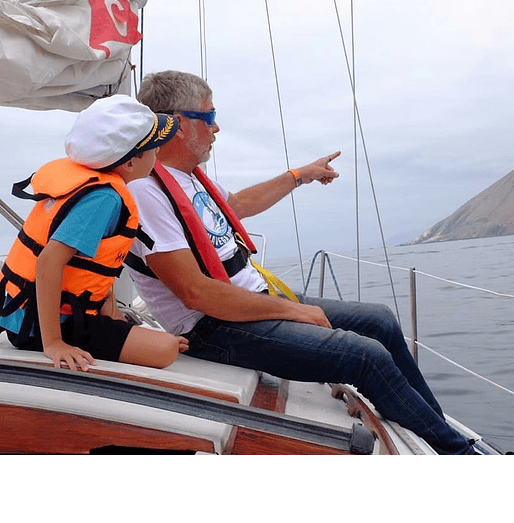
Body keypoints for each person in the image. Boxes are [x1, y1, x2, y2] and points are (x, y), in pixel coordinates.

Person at [126, 69, 477, 455]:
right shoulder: (146, 192)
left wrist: (299, 175)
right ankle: (458, 456)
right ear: (176, 124)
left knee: (380, 320)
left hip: (249, 302)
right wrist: (296, 312)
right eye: (209, 117)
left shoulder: (187, 179)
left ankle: (438, 427)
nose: (217, 128)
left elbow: (238, 206)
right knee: (366, 356)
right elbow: (195, 293)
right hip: (214, 328)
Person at [0, 94, 188, 372]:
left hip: (27, 313)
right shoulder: (104, 199)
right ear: (131, 162)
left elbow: (95, 270)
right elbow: (49, 263)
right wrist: (53, 343)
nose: (158, 153)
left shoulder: (91, 184)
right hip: (41, 328)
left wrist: (120, 326)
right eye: (155, 147)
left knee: (165, 342)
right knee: (166, 351)